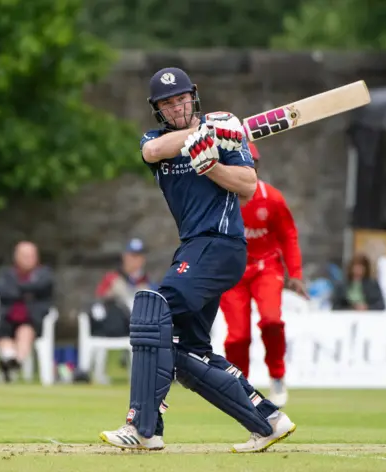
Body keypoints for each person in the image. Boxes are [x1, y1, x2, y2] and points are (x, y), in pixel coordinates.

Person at [99, 67, 295, 453]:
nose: (176, 107)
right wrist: (200, 134)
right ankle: (269, 420)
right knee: (189, 353)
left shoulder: (227, 137)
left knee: (151, 311)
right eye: (167, 103)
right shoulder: (157, 139)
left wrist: (212, 164)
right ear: (158, 110)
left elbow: (248, 185)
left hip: (220, 244)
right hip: (193, 246)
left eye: (181, 99)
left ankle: (142, 427)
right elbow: (152, 152)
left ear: (194, 95)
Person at [219, 142, 307, 408]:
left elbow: (288, 236)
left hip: (266, 267)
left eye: (250, 165)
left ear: (255, 167)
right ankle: (240, 386)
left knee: (271, 321)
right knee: (238, 337)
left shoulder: (272, 199)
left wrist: (296, 274)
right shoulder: (221, 198)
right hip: (232, 272)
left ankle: (277, 376)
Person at [0, 241, 55, 382]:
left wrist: (18, 290)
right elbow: (3, 291)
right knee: (3, 334)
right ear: (17, 257)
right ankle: (10, 359)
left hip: (32, 318)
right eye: (25, 256)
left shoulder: (44, 274)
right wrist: (26, 291)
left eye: (31, 256)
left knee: (25, 331)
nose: (29, 259)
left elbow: (41, 287)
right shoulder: (7, 274)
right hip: (8, 317)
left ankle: (15, 362)